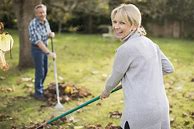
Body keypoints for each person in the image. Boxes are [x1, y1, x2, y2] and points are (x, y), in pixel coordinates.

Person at [100, 4, 174, 129]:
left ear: (134, 25)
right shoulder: (150, 43)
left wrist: (106, 91)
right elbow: (169, 68)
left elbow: (114, 78)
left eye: (122, 23)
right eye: (114, 21)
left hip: (141, 112)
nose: (116, 26)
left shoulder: (125, 49)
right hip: (161, 108)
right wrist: (144, 77)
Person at [28, 4, 56, 101]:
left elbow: (46, 34)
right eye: (40, 12)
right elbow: (39, 42)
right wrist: (49, 53)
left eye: (43, 12)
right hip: (37, 49)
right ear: (36, 14)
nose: (42, 14)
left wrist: (50, 34)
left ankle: (39, 87)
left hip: (45, 47)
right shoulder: (33, 24)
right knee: (40, 72)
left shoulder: (45, 21)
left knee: (45, 70)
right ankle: (38, 93)